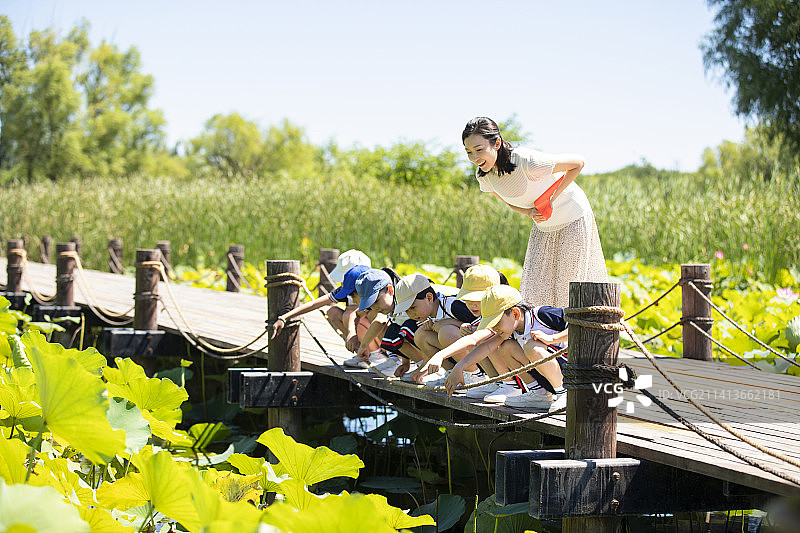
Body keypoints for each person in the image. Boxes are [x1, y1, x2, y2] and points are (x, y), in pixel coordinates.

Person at [462, 117, 607, 308]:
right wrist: (530, 212)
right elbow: (510, 203)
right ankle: (541, 332)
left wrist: (550, 199)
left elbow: (578, 163)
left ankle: (568, 336)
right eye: (469, 152)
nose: (474, 158)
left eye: (479, 150)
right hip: (543, 223)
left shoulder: (527, 161)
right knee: (537, 285)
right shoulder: (484, 176)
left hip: (572, 214)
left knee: (569, 284)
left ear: (496, 143)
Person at [444, 285, 568, 411]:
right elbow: (486, 347)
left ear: (515, 313)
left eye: (496, 322)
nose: (494, 327)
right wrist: (460, 365)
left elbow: (580, 325)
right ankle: (539, 394)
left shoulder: (541, 315)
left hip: (570, 377)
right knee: (506, 347)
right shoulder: (511, 330)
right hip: (547, 379)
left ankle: (564, 393)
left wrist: (553, 339)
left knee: (532, 347)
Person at [269, 264, 381, 366]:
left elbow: (354, 313)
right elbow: (314, 304)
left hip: (386, 341)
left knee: (361, 317)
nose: (351, 296)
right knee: (333, 312)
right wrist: (284, 317)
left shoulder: (378, 294)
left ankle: (378, 356)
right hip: (370, 336)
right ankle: (364, 352)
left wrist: (352, 333)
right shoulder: (351, 291)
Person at [391, 273, 483, 385]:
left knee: (446, 332)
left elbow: (482, 327)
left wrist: (448, 323)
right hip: (465, 356)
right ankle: (451, 372)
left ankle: (474, 375)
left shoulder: (452, 305)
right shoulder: (428, 315)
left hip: (482, 356)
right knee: (421, 335)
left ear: (429, 298)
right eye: (407, 311)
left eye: (413, 308)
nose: (411, 314)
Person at [351, 268, 425, 376]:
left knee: (405, 329)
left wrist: (364, 345)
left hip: (435, 341)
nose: (375, 307)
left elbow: (379, 321)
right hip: (422, 345)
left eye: (376, 301)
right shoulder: (392, 308)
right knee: (394, 332)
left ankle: (426, 368)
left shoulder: (407, 304)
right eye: (370, 305)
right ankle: (415, 363)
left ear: (390, 290)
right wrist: (405, 363)